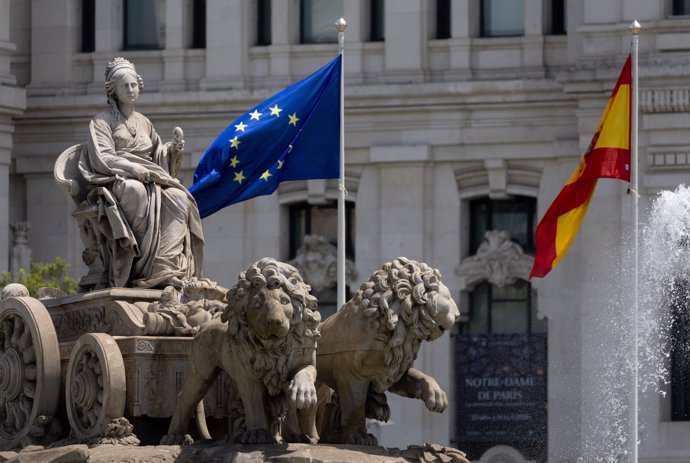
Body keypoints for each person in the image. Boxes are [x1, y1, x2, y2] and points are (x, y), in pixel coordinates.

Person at [78, 57, 204, 289]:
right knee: (136, 192)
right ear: (113, 90)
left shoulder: (145, 122)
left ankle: (162, 266)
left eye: (134, 84)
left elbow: (158, 158)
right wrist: (132, 168)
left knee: (180, 198)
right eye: (125, 85)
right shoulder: (101, 122)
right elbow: (103, 158)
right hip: (116, 180)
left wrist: (173, 149)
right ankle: (137, 266)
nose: (131, 89)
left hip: (151, 178)